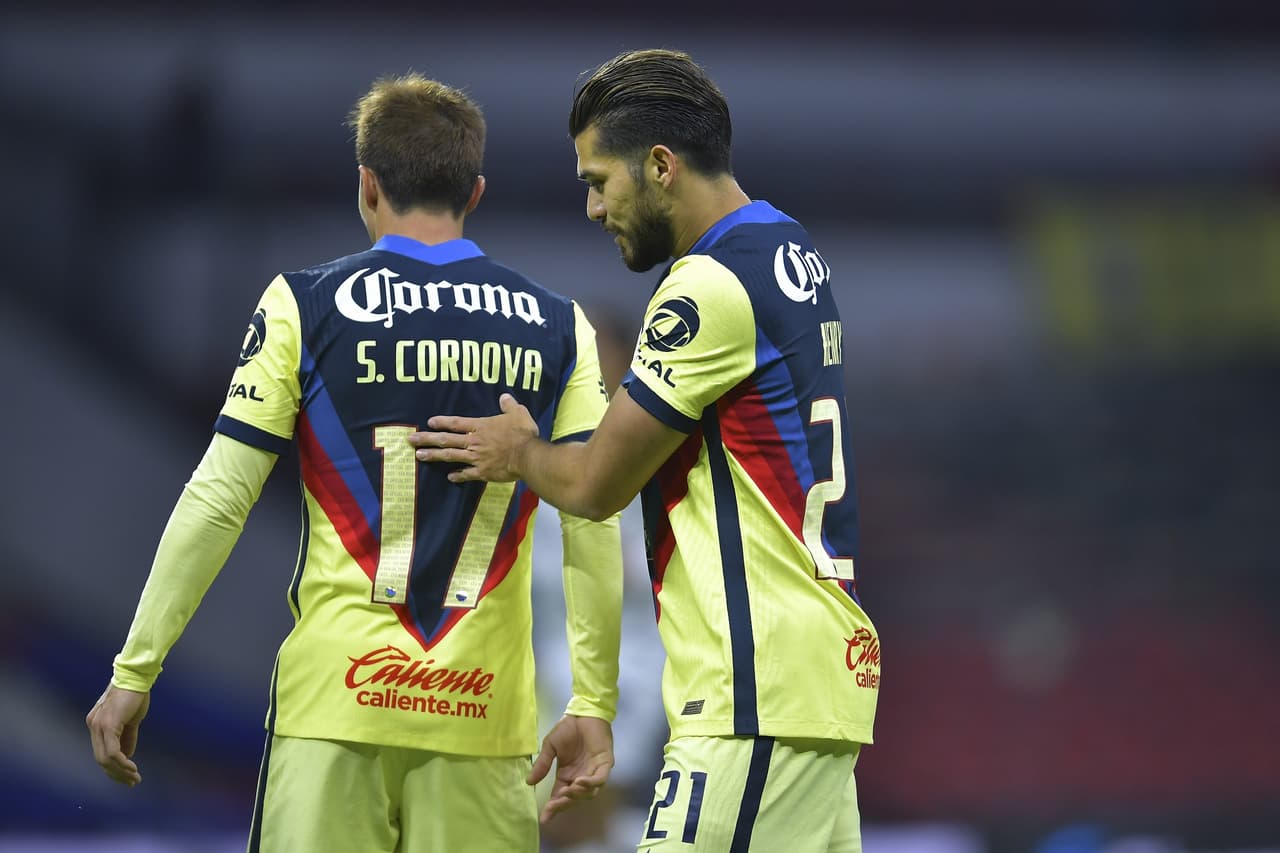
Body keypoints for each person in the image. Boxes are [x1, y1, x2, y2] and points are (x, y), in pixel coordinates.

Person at [86, 72, 624, 853]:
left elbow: (220, 496)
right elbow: (591, 518)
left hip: (334, 710)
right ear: (475, 192)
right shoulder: (561, 327)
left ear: (368, 185)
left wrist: (135, 670)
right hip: (483, 720)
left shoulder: (303, 305)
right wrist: (594, 700)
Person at [410, 49, 881, 852]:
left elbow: (596, 484)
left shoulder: (707, 287)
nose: (594, 207)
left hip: (751, 696)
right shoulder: (790, 248)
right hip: (818, 682)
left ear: (660, 166)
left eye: (600, 181)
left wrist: (519, 450)